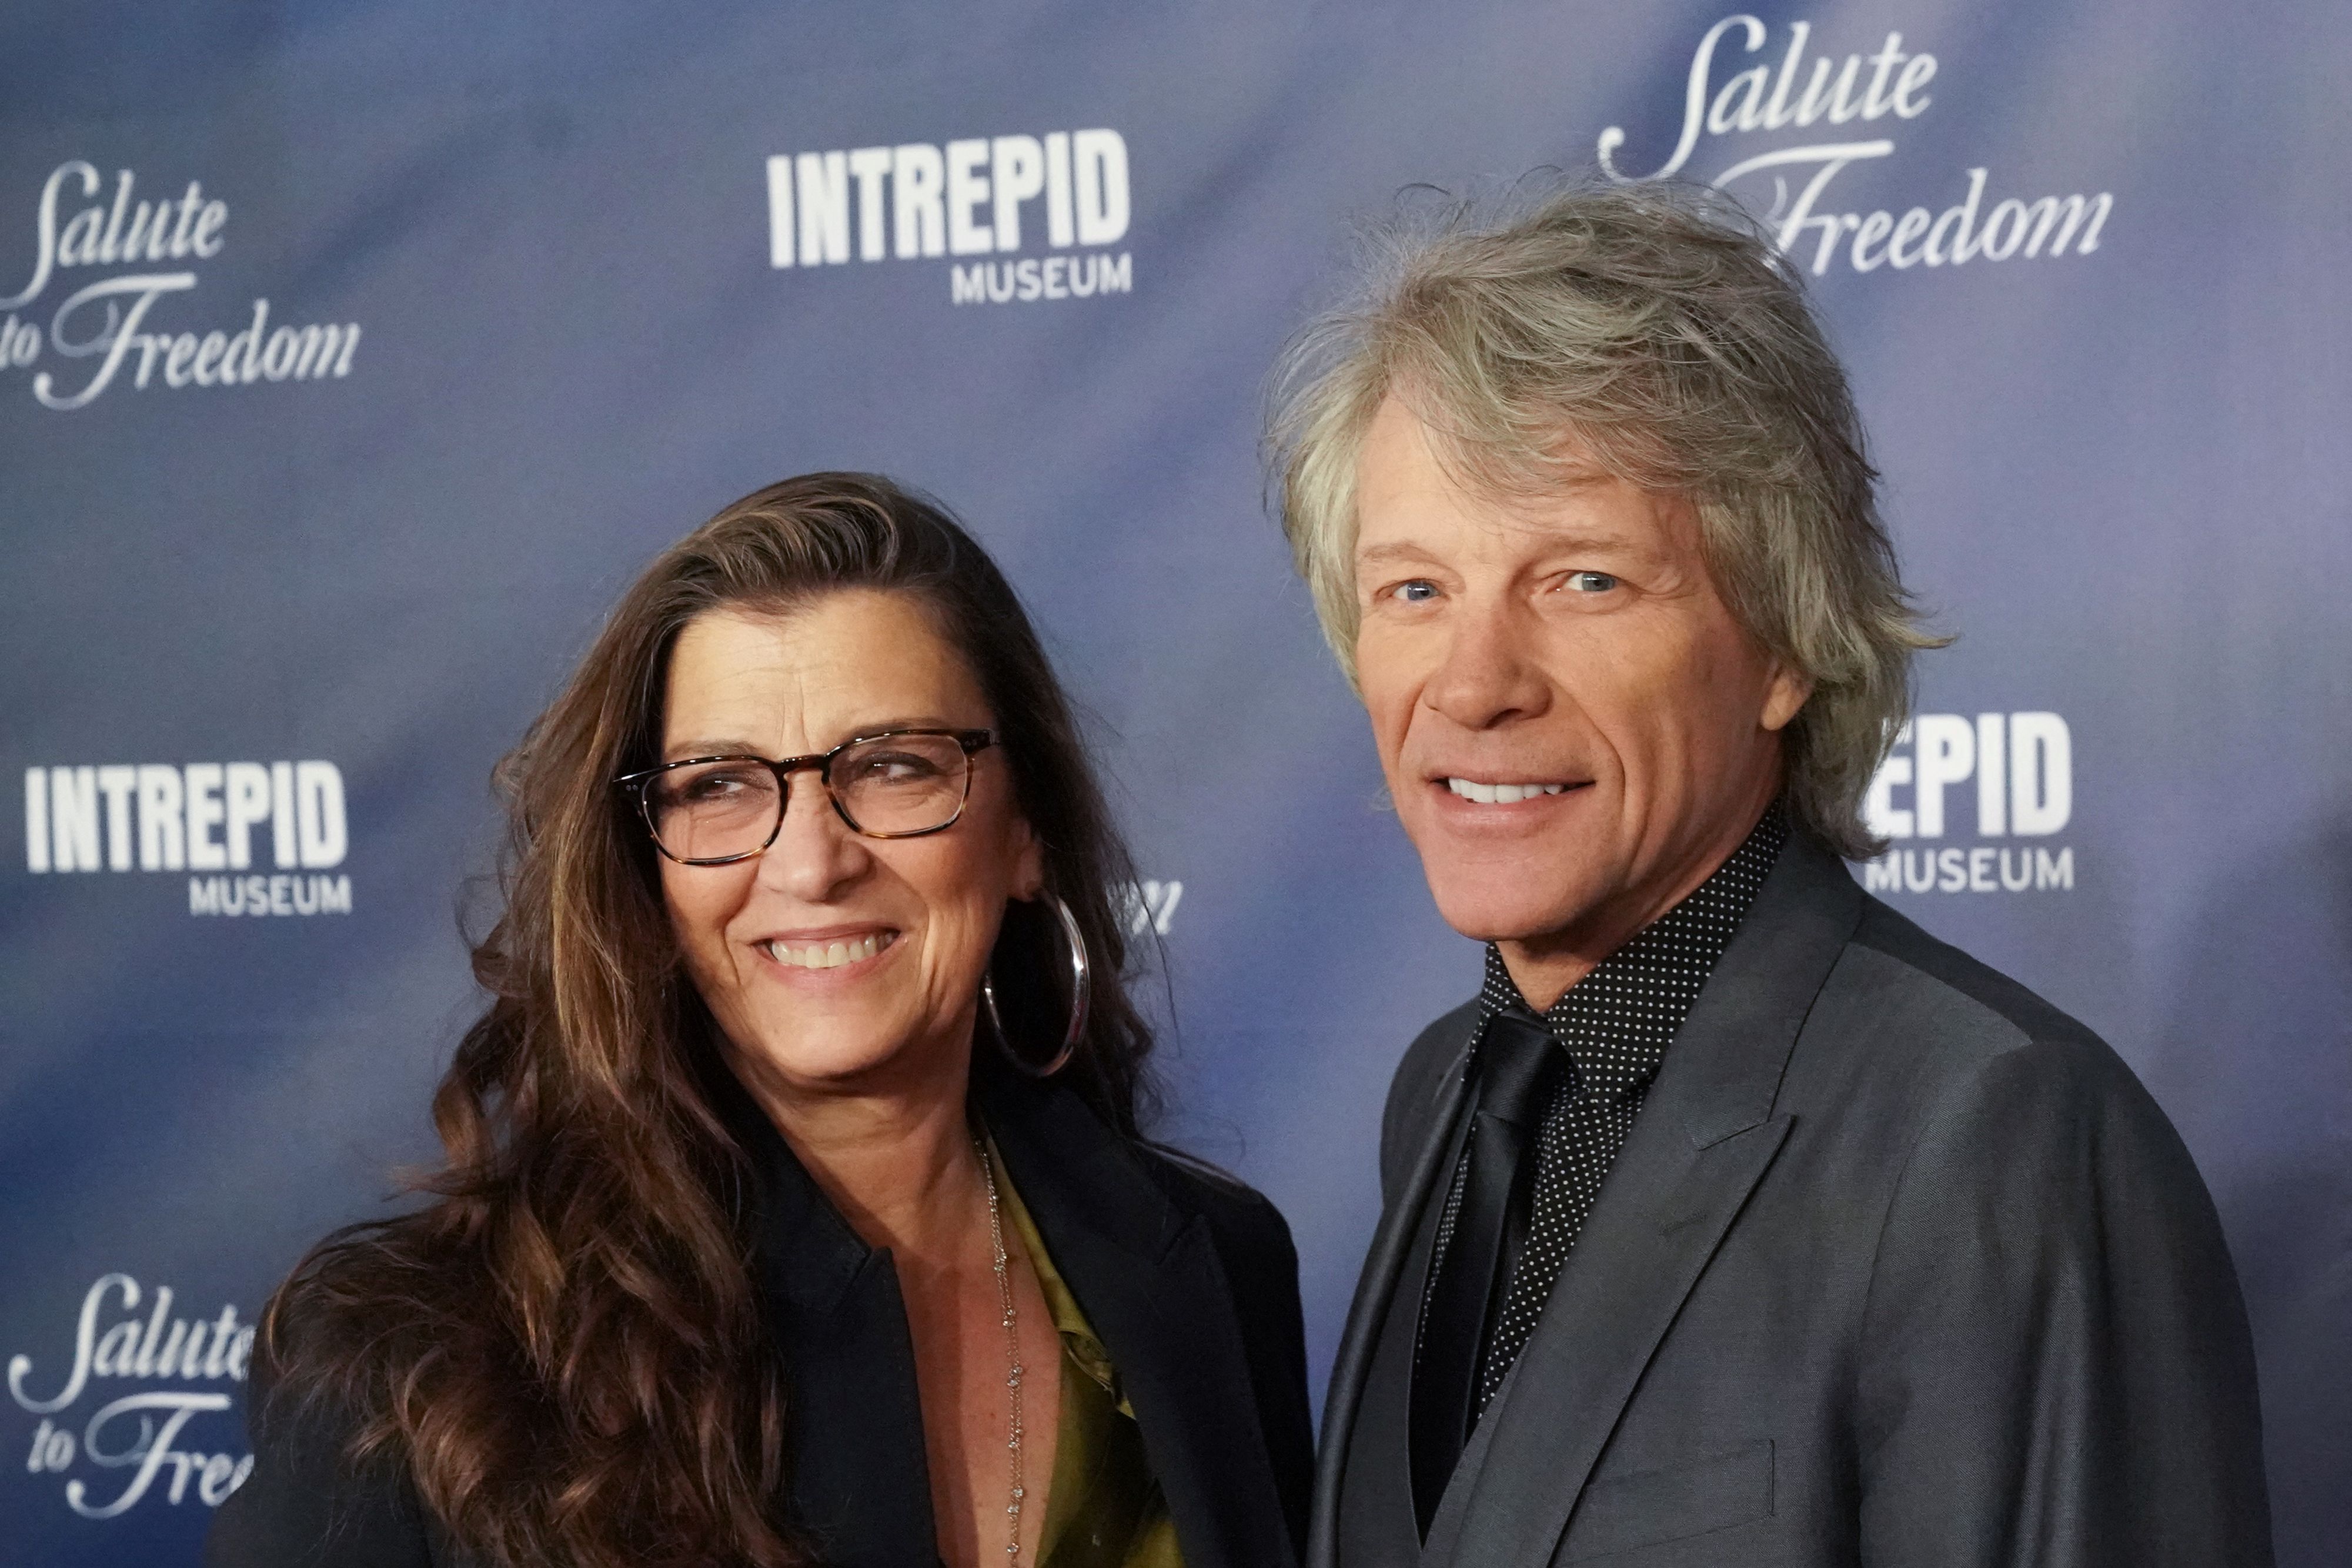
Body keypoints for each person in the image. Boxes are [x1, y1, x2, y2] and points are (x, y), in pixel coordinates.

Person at [1267, 186, 2271, 1567]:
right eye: (1415, 591)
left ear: (1786, 643)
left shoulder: (1995, 1138)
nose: (1474, 684)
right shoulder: (1445, 1092)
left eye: (1583, 581)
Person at [207, 474, 1312, 1568]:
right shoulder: (411, 1362)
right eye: (720, 786)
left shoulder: (1213, 1268)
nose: (812, 861)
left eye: (892, 767)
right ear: (647, 867)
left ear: (1025, 833)